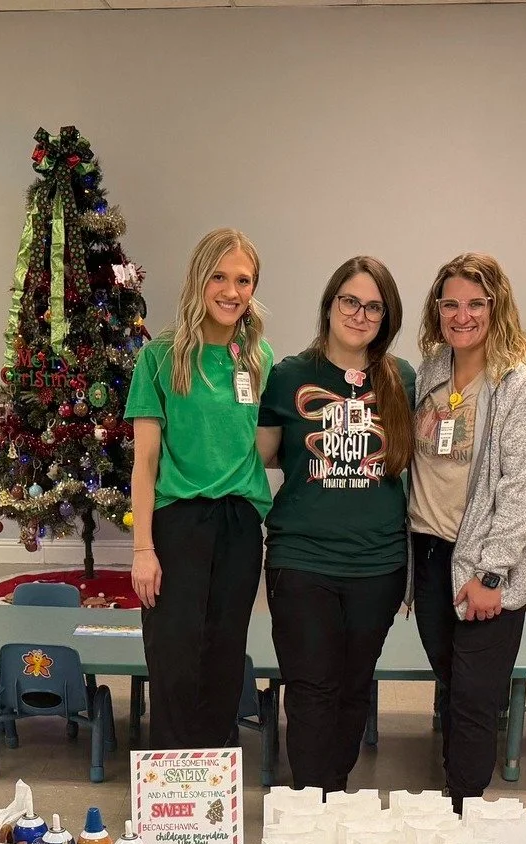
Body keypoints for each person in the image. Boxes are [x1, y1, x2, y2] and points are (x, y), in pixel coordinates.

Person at [258, 256, 414, 794]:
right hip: (302, 560)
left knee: (352, 686)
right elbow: (264, 457)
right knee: (311, 688)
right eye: (350, 300)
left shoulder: (403, 380)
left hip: (378, 563)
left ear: (386, 316)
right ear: (329, 304)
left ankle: (335, 792)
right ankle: (310, 803)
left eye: (374, 306)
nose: (360, 314)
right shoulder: (288, 376)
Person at [410, 252, 526, 814]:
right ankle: (455, 785)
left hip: (485, 567)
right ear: (437, 309)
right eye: (451, 303)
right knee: (451, 681)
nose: (462, 315)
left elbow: (522, 491)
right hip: (428, 553)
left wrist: (491, 573)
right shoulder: (431, 370)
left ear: (498, 307)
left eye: (476, 304)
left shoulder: (522, 384)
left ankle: (464, 814)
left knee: (474, 695)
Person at [125, 228, 273, 749]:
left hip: (237, 525)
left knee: (223, 654)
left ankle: (213, 780)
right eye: (220, 276)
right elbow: (144, 463)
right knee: (174, 655)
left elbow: (260, 443)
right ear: (198, 280)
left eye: (244, 280)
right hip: (179, 522)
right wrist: (143, 549)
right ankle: (171, 778)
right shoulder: (160, 358)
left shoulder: (258, 360)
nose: (231, 291)